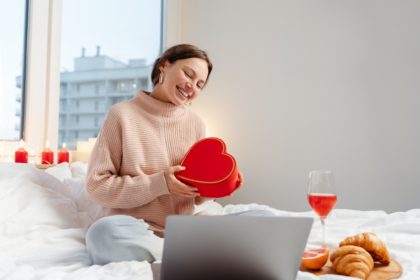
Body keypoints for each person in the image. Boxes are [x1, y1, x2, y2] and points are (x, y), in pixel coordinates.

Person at [85, 44, 244, 265]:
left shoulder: (195, 123)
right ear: (164, 65)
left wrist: (219, 187)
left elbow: (195, 195)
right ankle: (183, 254)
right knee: (102, 234)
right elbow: (97, 186)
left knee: (260, 218)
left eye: (200, 85)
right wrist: (160, 184)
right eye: (188, 74)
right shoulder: (121, 115)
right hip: (134, 229)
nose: (192, 87)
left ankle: (175, 253)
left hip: (182, 230)